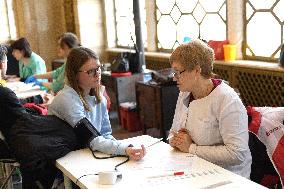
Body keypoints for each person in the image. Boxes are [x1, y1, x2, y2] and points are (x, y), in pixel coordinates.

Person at [168, 39, 252, 178]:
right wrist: (175, 139)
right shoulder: (185, 92)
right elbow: (173, 132)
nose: (174, 78)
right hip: (194, 166)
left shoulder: (227, 100)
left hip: (227, 176)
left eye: (178, 72)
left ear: (196, 70)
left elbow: (237, 153)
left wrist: (191, 148)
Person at [48, 47, 146, 160]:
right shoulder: (66, 99)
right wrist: (125, 149)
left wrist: (125, 152)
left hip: (86, 155)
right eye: (90, 71)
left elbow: (105, 134)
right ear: (74, 74)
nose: (97, 74)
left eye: (99, 68)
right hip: (63, 162)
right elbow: (92, 138)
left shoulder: (100, 98)